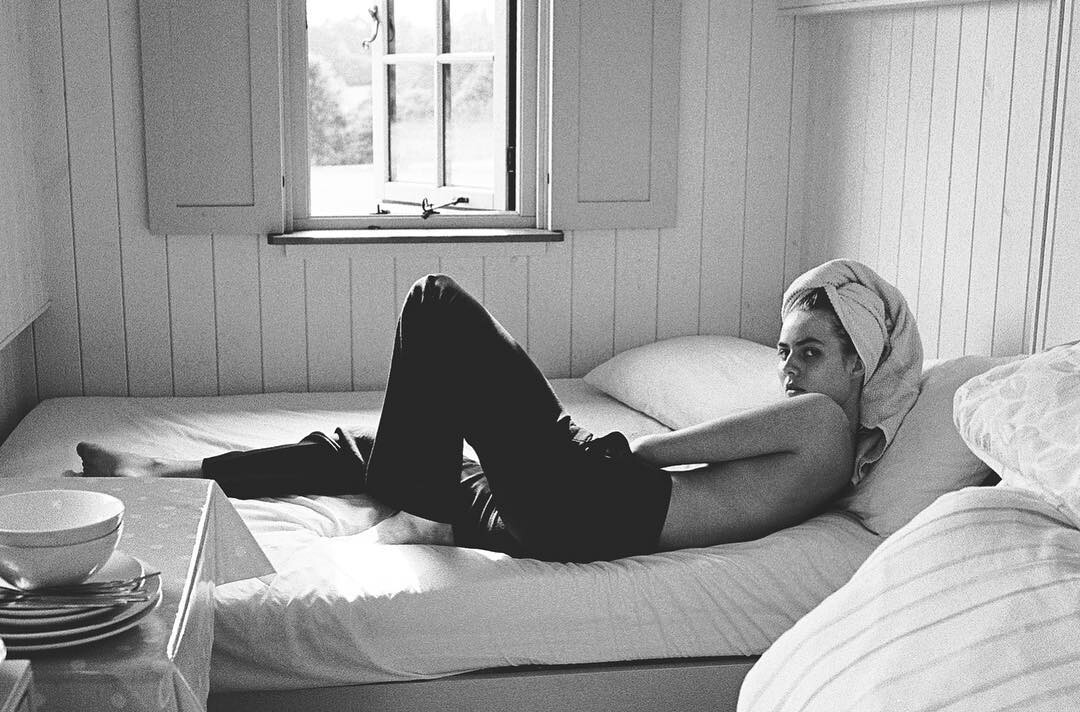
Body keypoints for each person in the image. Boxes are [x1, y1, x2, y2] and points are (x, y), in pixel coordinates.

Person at [77, 259, 923, 563]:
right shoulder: (821, 441)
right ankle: (168, 471)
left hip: (596, 500)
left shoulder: (825, 425)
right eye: (782, 350)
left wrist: (609, 447)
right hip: (566, 515)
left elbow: (664, 453)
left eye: (809, 353)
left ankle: (418, 502)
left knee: (435, 301)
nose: (787, 369)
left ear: (861, 359)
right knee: (367, 446)